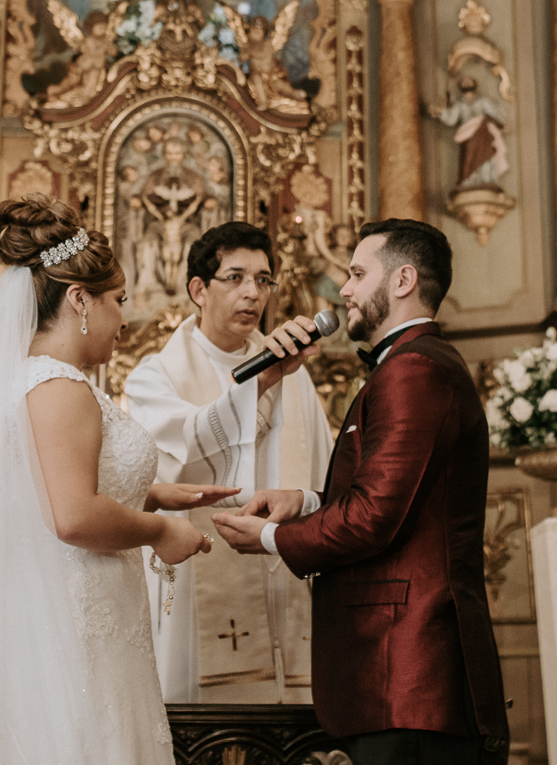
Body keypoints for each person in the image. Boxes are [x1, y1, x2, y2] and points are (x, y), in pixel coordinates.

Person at [0, 195, 238, 765]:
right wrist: (160, 532)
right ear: (78, 299)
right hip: (72, 626)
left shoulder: (33, 379)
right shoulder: (60, 386)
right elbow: (73, 516)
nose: (124, 318)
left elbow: (34, 488)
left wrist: (155, 492)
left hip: (67, 612)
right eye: (118, 301)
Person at [213, 218, 510, 765]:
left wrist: (274, 537)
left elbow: (375, 516)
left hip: (411, 674)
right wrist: (303, 503)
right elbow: (399, 500)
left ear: (401, 281)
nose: (343, 289)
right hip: (402, 680)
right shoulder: (409, 365)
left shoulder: (413, 370)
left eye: (356, 273)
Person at [125, 221, 333, 704]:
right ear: (199, 289)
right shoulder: (155, 376)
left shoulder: (294, 375)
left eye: (263, 280)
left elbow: (325, 471)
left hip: (286, 579)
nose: (252, 294)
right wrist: (262, 383)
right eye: (235, 277)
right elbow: (173, 467)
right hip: (200, 582)